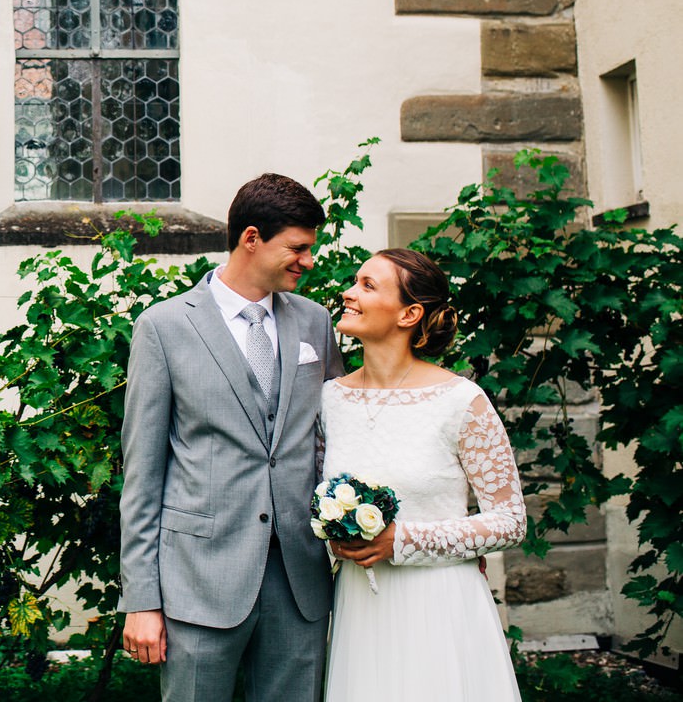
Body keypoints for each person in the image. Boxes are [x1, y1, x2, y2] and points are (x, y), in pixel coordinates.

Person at [119, 173, 344, 702]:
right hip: (199, 579)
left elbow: (339, 437)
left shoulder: (315, 322)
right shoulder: (164, 327)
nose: (308, 261)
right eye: (297, 248)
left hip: (298, 579)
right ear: (251, 238)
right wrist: (142, 600)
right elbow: (142, 473)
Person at [322, 248, 524, 701]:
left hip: (440, 603)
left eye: (367, 286)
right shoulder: (329, 400)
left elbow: (510, 521)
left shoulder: (460, 401)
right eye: (355, 282)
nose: (349, 293)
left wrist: (404, 540)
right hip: (361, 607)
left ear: (409, 314)